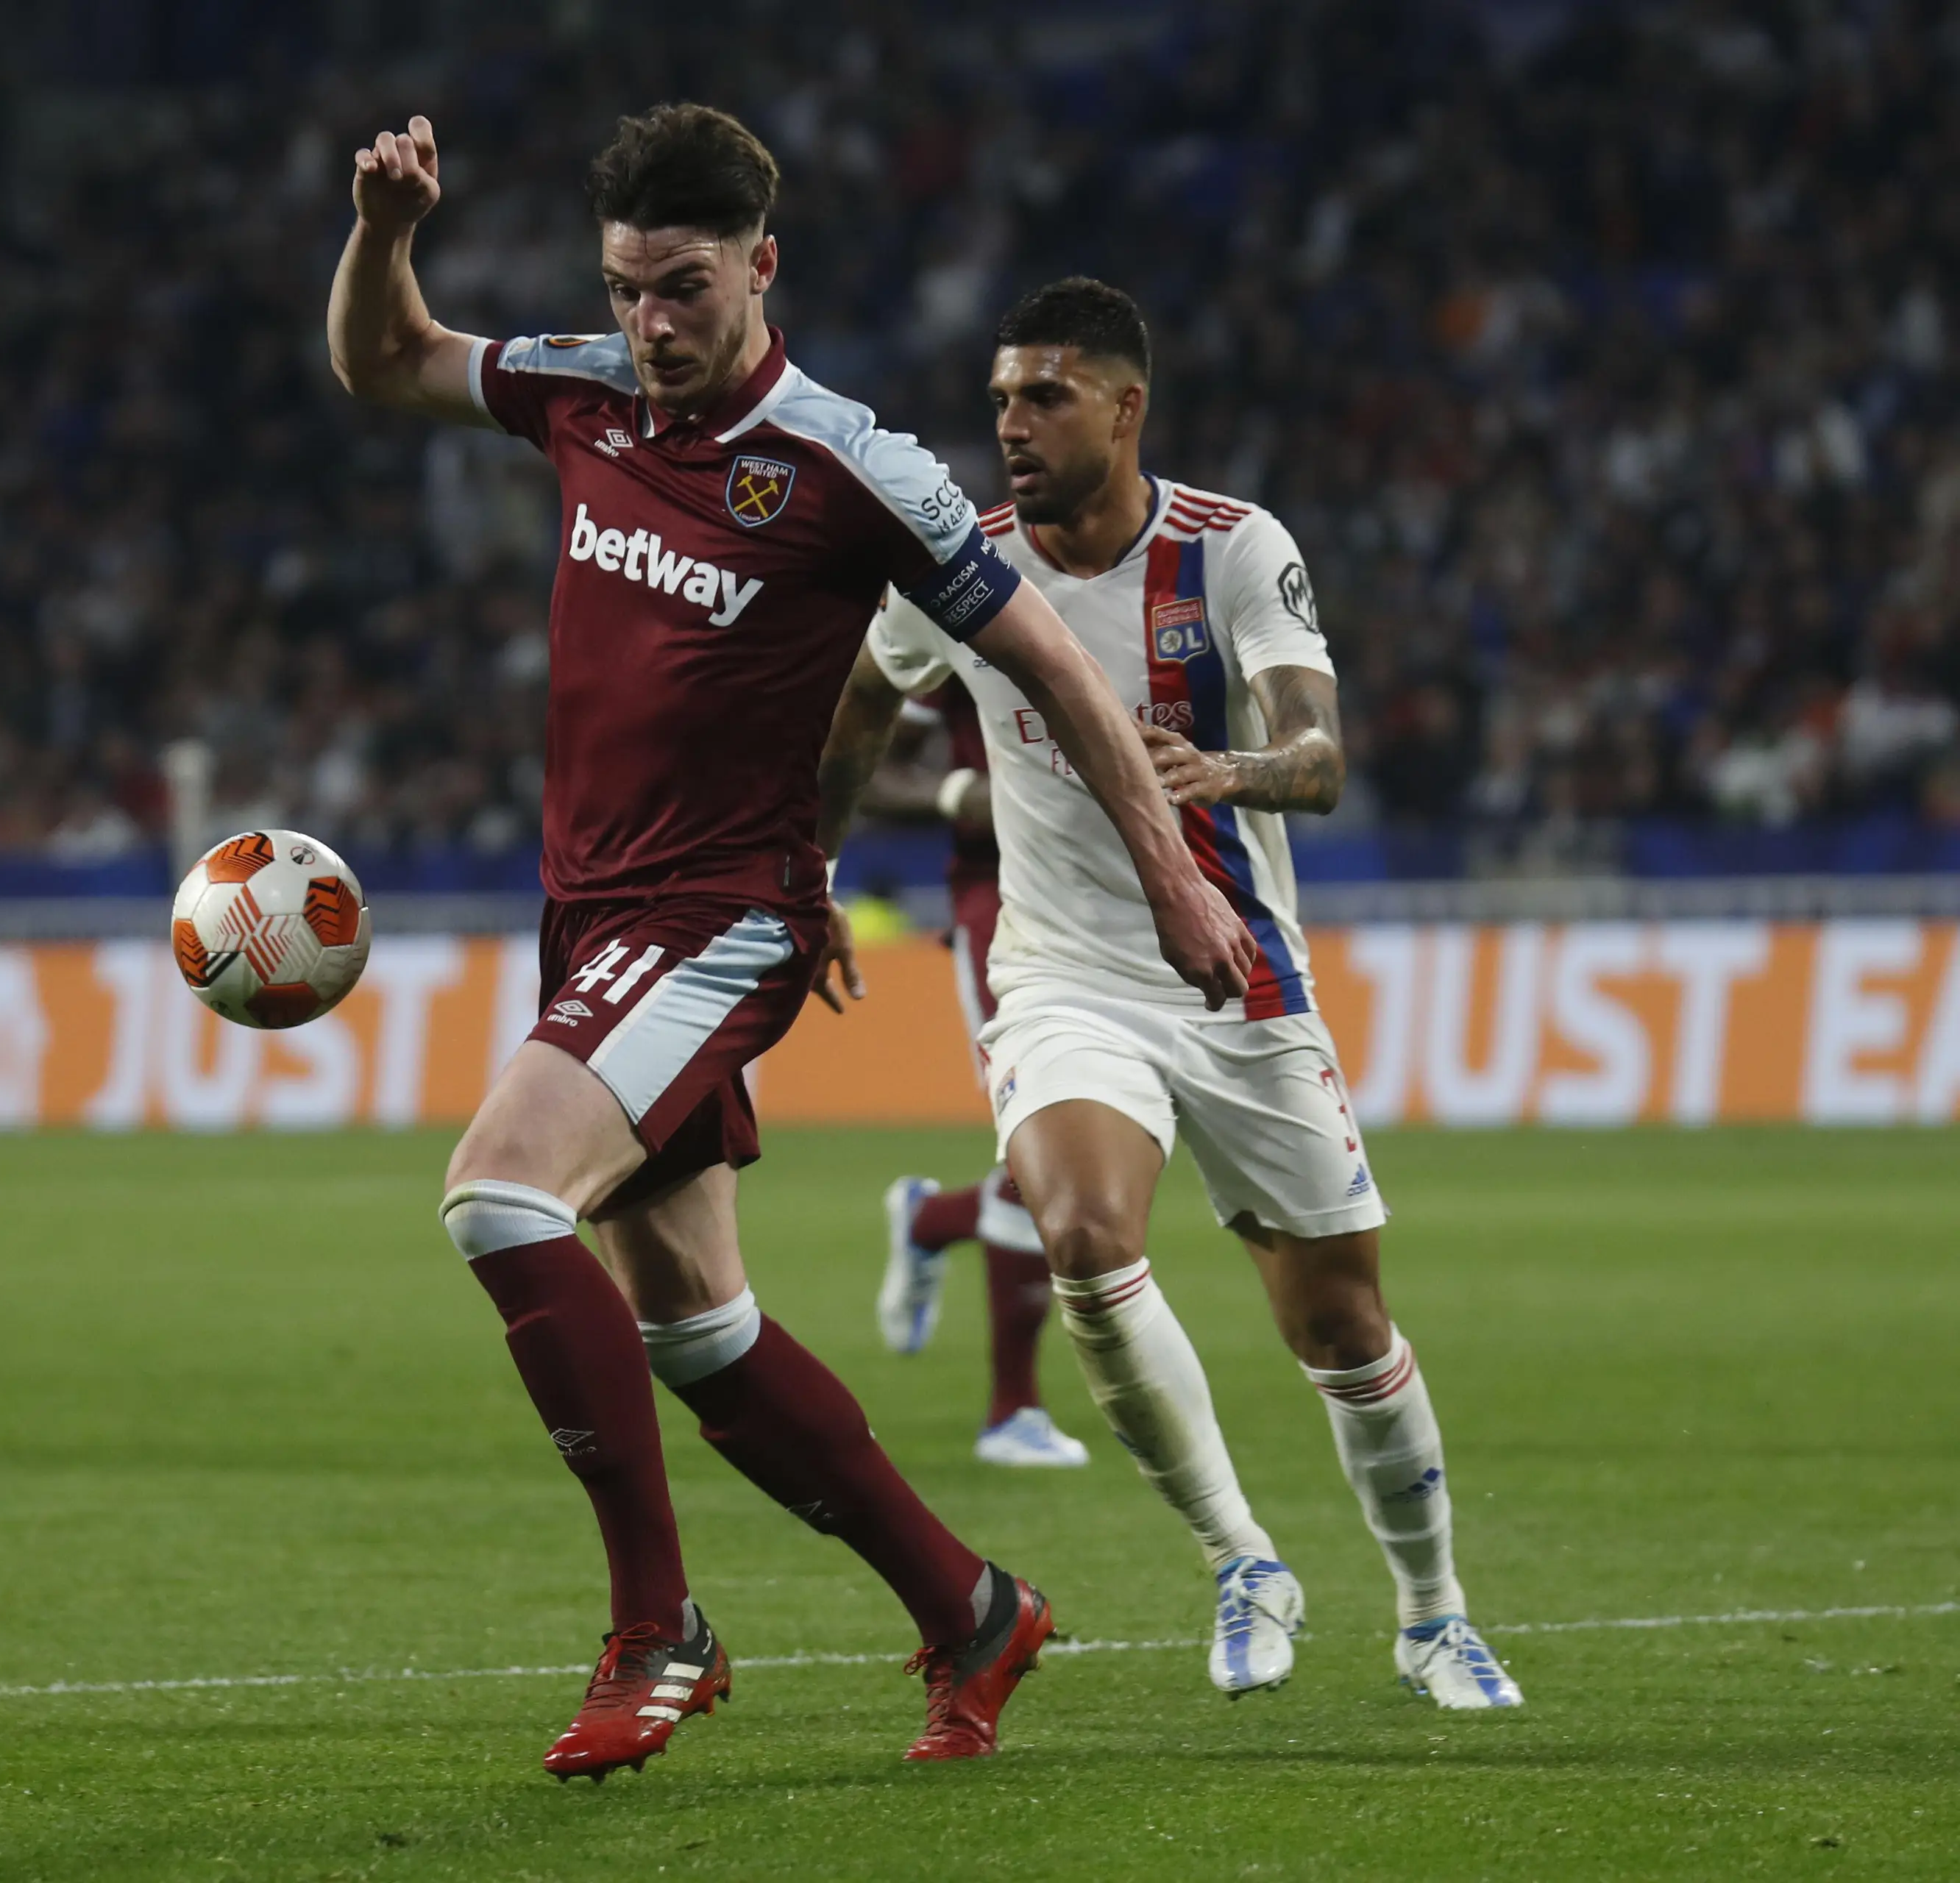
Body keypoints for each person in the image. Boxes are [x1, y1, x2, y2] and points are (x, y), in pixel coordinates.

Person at [327, 108, 1258, 1777]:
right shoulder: (583, 390)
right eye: (625, 290)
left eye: (681, 289)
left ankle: (653, 1624)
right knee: (696, 1330)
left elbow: (1053, 667)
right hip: (591, 912)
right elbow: (384, 362)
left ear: (761, 267)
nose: (649, 328)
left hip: (714, 916)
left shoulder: (847, 464)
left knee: (495, 1187)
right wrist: (384, 229)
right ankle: (971, 1603)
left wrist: (1179, 883)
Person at [815, 277, 1522, 1711]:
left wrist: (1225, 770)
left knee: (1342, 1326)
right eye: (1004, 394)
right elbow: (850, 727)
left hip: (1239, 974)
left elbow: (1319, 758)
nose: (1012, 420)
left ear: (1127, 407)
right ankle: (1242, 1556)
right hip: (1062, 971)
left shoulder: (1232, 548)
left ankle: (1434, 1610)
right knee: (1079, 1231)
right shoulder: (958, 565)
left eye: (1046, 394)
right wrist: (806, 876)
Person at [860, 684, 1087, 1469]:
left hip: (1120, 905)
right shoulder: (960, 593)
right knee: (1042, 1157)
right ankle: (1012, 1408)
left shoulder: (1146, 584)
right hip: (1006, 910)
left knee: (1089, 1165)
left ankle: (930, 1220)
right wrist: (961, 791)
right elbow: (864, 762)